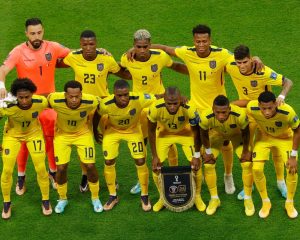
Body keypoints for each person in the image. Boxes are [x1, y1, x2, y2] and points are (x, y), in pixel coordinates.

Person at [139, 25, 263, 194]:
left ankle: (228, 175)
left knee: (226, 141)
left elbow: (242, 59)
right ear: (194, 41)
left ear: (210, 40)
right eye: (198, 41)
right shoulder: (187, 52)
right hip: (198, 108)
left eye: (205, 41)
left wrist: (255, 57)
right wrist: (142, 48)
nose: (201, 44)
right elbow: (166, 49)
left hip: (219, 107)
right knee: (203, 143)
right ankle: (206, 177)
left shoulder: (222, 54)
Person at [0, 18, 70, 194]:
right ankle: (21, 177)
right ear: (26, 34)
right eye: (32, 33)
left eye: (39, 32)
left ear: (43, 31)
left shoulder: (52, 47)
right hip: (26, 104)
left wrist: (100, 51)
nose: (36, 36)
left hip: (47, 104)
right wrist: (1, 86)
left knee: (50, 138)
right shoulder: (18, 51)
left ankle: (53, 173)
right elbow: (3, 69)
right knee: (22, 141)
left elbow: (75, 55)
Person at [62, 30, 131, 193]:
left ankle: (111, 177)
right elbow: (59, 59)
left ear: (97, 44)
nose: (88, 47)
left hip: (103, 106)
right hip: (82, 106)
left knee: (109, 140)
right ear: (80, 45)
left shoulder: (106, 59)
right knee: (84, 142)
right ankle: (85, 174)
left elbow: (122, 72)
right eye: (84, 44)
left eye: (91, 44)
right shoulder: (73, 57)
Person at [121, 29, 187, 194]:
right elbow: (118, 70)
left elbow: (175, 65)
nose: (142, 50)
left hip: (160, 105)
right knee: (142, 142)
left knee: (168, 139)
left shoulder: (160, 56)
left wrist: (193, 71)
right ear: (133, 45)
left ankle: (174, 175)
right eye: (138, 47)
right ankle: (141, 179)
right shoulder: (126, 58)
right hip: (140, 108)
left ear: (150, 44)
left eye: (145, 46)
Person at [227, 45, 293, 200]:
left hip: (266, 112)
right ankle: (247, 187)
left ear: (250, 60)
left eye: (245, 62)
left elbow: (288, 82)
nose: (242, 66)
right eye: (239, 63)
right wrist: (255, 56)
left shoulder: (263, 71)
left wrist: (281, 97)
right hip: (249, 111)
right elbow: (225, 55)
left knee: (276, 147)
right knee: (247, 149)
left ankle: (280, 182)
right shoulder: (231, 65)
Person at [93, 79, 155, 212]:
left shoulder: (139, 98)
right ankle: (112, 196)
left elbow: (158, 98)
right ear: (114, 94)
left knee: (140, 160)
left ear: (129, 92)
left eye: (126, 94)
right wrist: (94, 131)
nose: (123, 98)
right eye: (119, 95)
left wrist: (180, 98)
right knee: (109, 161)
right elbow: (97, 115)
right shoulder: (106, 104)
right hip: (113, 131)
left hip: (133, 130)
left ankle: (144, 195)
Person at [48, 81, 102, 214]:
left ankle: (95, 197)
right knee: (61, 168)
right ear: (65, 95)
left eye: (77, 96)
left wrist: (95, 130)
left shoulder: (91, 101)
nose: (74, 99)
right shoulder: (55, 99)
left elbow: (103, 106)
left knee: (90, 165)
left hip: (82, 134)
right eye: (71, 96)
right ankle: (62, 199)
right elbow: (40, 103)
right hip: (62, 135)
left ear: (81, 94)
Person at [148, 87, 205, 212]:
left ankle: (197, 196)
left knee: (196, 164)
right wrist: (154, 156)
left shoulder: (189, 108)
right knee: (156, 166)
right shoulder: (155, 108)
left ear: (180, 100)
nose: (172, 107)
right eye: (169, 104)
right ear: (164, 100)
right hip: (164, 134)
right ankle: (162, 197)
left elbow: (197, 132)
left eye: (175, 103)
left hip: (185, 134)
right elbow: (151, 131)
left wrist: (196, 155)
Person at [1, 78, 52, 219]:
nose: (24, 101)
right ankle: (6, 203)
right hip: (12, 136)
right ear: (15, 96)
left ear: (33, 94)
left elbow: (57, 105)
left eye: (27, 97)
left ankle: (46, 200)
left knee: (41, 168)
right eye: (20, 97)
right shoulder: (7, 106)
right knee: (7, 170)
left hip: (33, 134)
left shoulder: (40, 102)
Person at [247, 91, 300, 219]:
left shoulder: (287, 112)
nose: (266, 112)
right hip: (264, 138)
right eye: (263, 108)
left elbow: (297, 131)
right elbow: (244, 104)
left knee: (292, 170)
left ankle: (289, 202)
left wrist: (293, 156)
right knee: (256, 169)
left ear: (276, 104)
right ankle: (266, 202)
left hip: (285, 138)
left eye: (270, 108)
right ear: (258, 105)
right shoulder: (252, 108)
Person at [199, 95, 253, 216]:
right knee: (208, 165)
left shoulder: (240, 115)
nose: (221, 116)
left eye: (224, 112)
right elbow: (203, 135)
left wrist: (245, 150)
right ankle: (214, 199)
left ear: (229, 108)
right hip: (217, 135)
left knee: (247, 163)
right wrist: (207, 152)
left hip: (236, 135)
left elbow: (246, 133)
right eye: (217, 112)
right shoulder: (204, 116)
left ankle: (248, 198)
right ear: (213, 109)